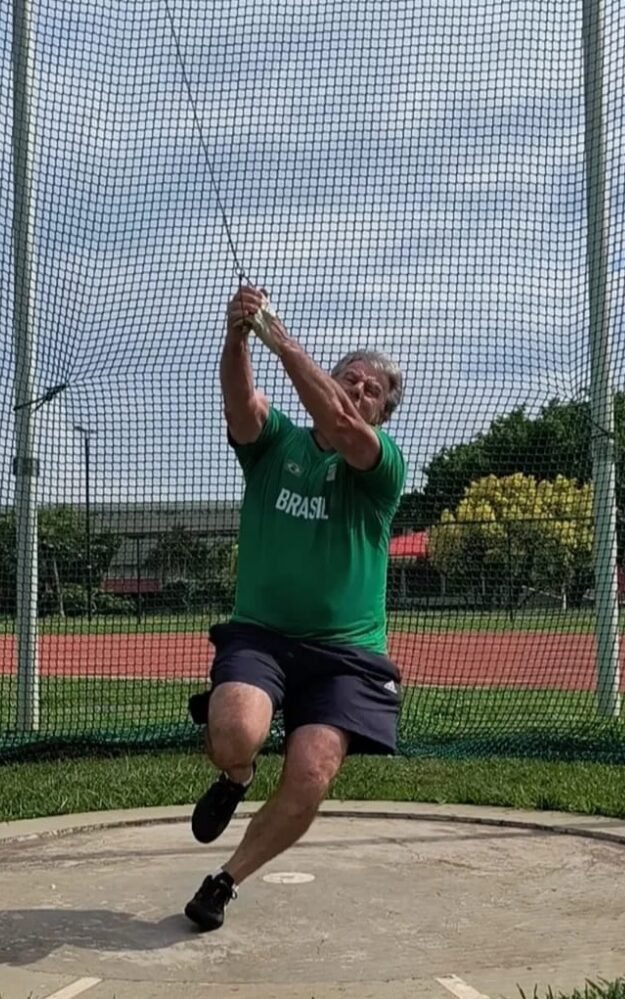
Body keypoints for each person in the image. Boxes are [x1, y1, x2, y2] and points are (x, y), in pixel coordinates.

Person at [184, 285, 407, 931]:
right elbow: (241, 405)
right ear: (328, 380)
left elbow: (338, 424)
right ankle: (237, 775)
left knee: (311, 773)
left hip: (346, 654)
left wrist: (276, 335)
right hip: (263, 635)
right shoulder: (276, 442)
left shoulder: (380, 465)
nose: (357, 391)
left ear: (382, 413)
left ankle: (225, 880)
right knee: (234, 735)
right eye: (349, 378)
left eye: (371, 390)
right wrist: (237, 337)